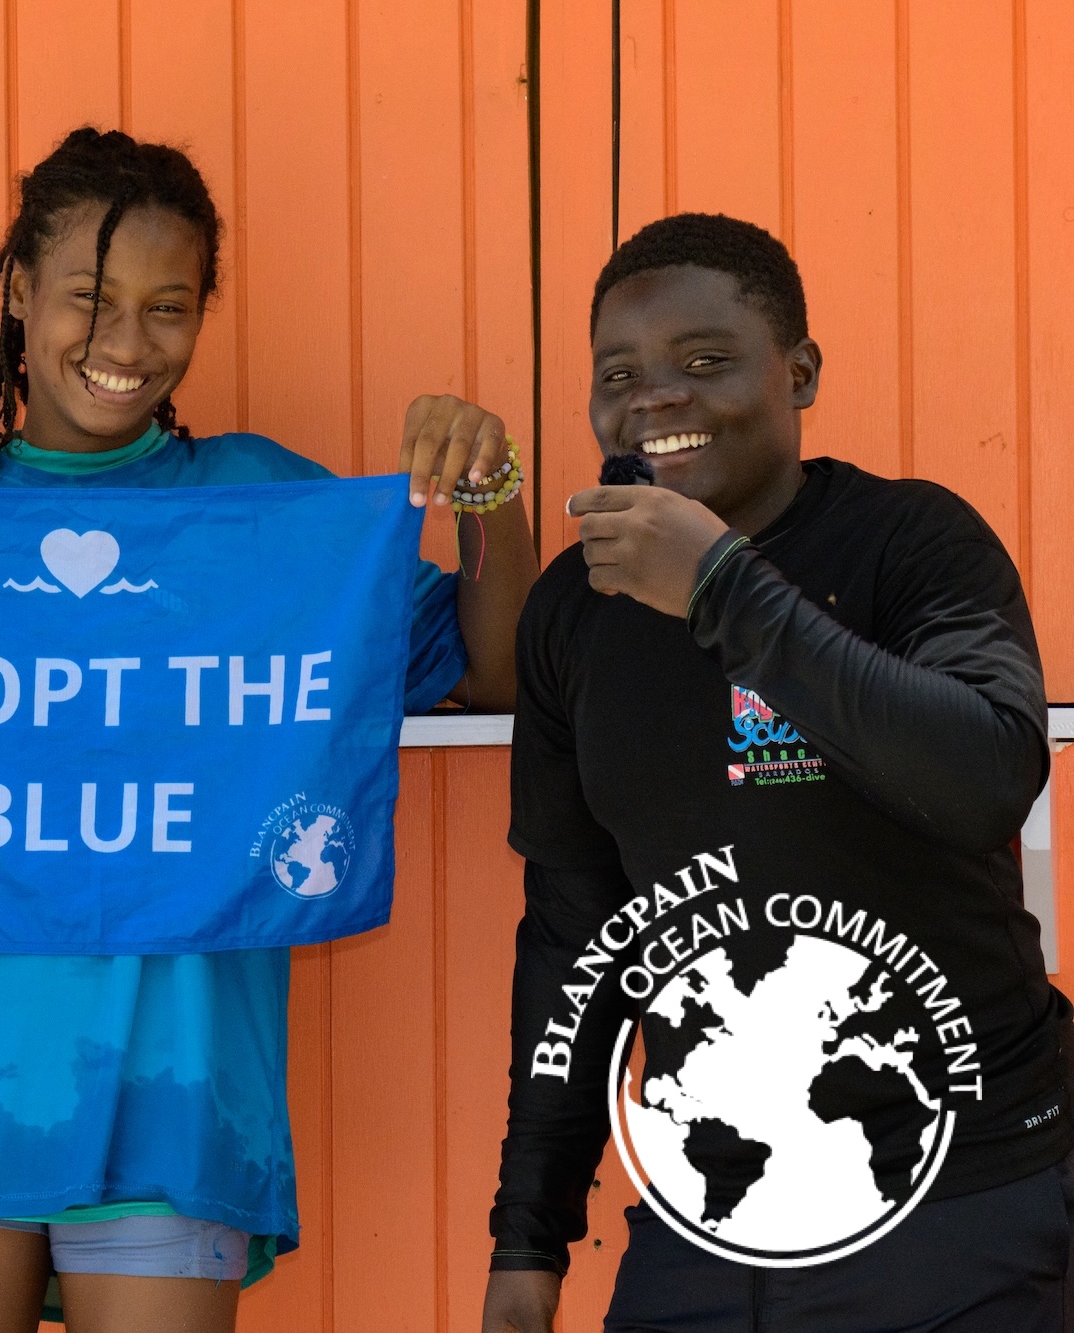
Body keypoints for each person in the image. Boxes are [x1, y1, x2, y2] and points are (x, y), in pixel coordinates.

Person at [0, 127, 537, 1332]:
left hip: (177, 1099)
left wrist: (489, 492)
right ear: (17, 294)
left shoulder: (259, 509)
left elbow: (493, 675)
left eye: (166, 308)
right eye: (89, 298)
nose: (125, 344)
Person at [482, 213, 1074, 1333]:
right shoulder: (573, 611)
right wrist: (528, 1227)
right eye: (619, 373)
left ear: (797, 374)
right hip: (712, 1206)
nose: (654, 396)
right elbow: (573, 935)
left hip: (960, 1193)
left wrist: (718, 587)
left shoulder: (910, 542)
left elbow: (987, 770)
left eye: (704, 361)